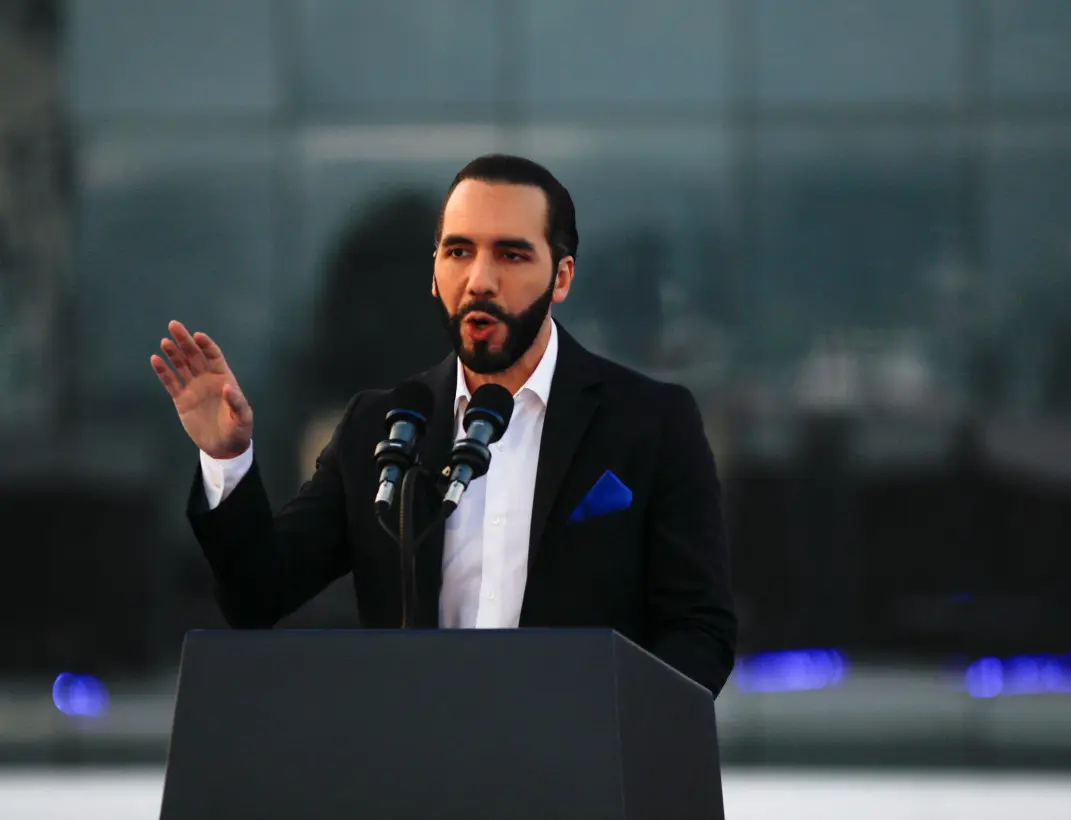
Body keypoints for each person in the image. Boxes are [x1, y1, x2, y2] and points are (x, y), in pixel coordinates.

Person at [150, 154, 736, 697]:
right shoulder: (379, 428)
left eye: (510, 254)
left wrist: (615, 728)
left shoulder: (652, 422)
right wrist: (226, 458)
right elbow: (259, 594)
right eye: (458, 252)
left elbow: (699, 632)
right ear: (434, 273)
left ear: (561, 277)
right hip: (416, 777)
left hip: (582, 778)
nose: (479, 279)